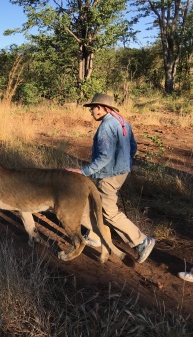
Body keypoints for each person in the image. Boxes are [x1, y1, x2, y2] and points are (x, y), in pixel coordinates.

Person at [67, 93, 155, 264]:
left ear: (100, 108)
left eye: (92, 108)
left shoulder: (106, 126)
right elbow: (133, 147)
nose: (91, 112)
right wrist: (124, 163)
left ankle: (141, 241)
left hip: (109, 175)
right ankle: (94, 235)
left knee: (108, 211)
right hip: (120, 171)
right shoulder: (122, 121)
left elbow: (105, 156)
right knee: (96, 203)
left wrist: (83, 171)